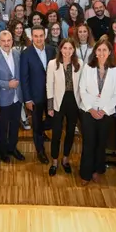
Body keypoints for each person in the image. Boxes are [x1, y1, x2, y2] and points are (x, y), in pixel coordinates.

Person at [79, 38, 116, 186]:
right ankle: (85, 173)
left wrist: (104, 110)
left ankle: (96, 171)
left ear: (110, 52)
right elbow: (82, 89)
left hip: (106, 113)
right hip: (88, 111)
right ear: (95, 52)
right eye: (99, 50)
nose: (102, 53)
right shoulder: (88, 68)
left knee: (101, 143)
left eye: (105, 50)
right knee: (88, 143)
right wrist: (91, 109)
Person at [21, 25, 56, 164]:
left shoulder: (51, 50)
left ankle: (40, 130)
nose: (39, 39)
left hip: (51, 95)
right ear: (31, 37)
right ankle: (40, 151)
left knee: (52, 121)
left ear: (45, 36)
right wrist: (27, 99)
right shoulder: (26, 54)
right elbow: (24, 78)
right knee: (36, 123)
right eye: (35, 36)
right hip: (35, 97)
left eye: (41, 36)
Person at [46, 38, 81, 176]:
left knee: (71, 132)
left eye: (70, 48)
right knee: (56, 133)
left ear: (74, 50)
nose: (67, 51)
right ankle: (54, 161)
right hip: (58, 102)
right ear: (60, 49)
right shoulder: (53, 64)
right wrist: (50, 106)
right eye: (65, 48)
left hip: (73, 101)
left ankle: (65, 159)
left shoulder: (79, 64)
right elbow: (49, 85)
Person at [0, 30, 25, 162]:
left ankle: (12, 148)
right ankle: (3, 152)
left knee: (15, 125)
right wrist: (7, 84)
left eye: (9, 40)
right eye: (3, 41)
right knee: (3, 127)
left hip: (17, 97)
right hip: (3, 98)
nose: (6, 43)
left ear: (12, 41)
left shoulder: (17, 53)